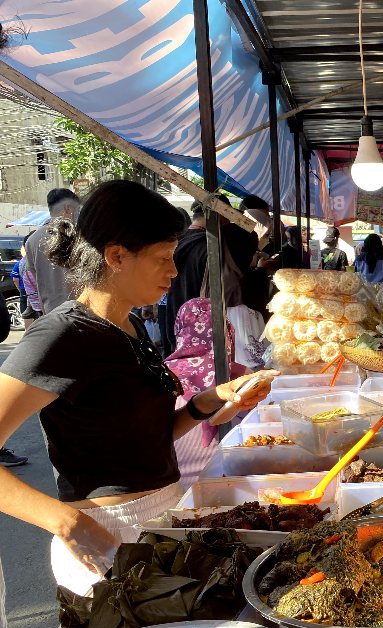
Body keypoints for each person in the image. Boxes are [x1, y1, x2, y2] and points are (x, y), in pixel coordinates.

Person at [0, 180, 276, 597]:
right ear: (116, 256)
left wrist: (211, 400)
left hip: (160, 522)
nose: (174, 271)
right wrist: (64, 521)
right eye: (163, 258)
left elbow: (148, 438)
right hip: (105, 540)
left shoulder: (131, 326)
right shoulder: (60, 336)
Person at [165, 297, 248, 487]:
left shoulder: (162, 377)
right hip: (234, 484)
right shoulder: (240, 376)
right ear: (227, 332)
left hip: (176, 489)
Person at [164, 194, 237, 355]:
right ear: (219, 215)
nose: (227, 224)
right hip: (201, 334)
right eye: (227, 217)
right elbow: (227, 290)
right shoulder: (211, 248)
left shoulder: (176, 243)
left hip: (176, 326)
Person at [23, 188, 81, 315]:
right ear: (68, 208)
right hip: (80, 310)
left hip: (51, 313)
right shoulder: (79, 235)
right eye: (77, 209)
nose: (78, 214)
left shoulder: (31, 241)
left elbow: (34, 275)